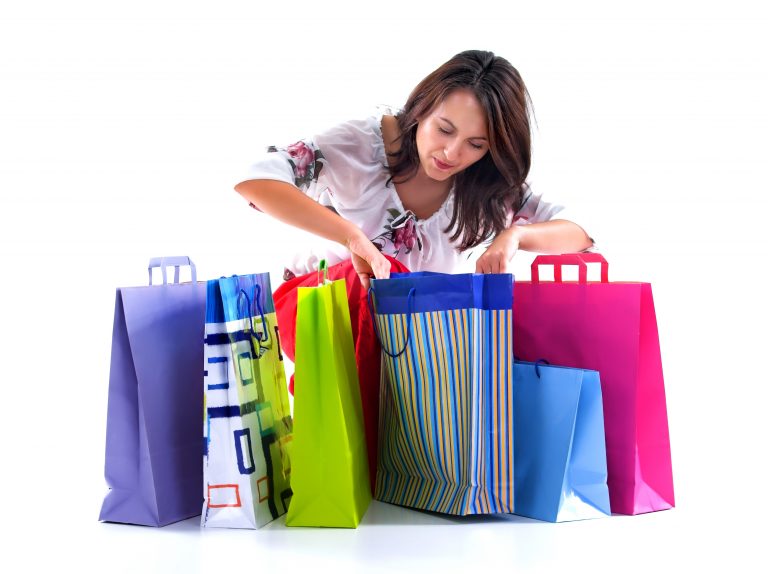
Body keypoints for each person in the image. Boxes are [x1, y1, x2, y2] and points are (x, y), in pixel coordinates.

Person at [234, 50, 594, 490]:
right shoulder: (359, 144)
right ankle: (358, 466)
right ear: (421, 108)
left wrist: (515, 237)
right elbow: (254, 181)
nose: (451, 152)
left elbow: (580, 232)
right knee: (373, 278)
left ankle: (451, 468)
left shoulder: (486, 184)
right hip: (320, 308)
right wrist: (350, 236)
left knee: (482, 325)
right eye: (444, 129)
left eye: (476, 144)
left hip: (407, 334)